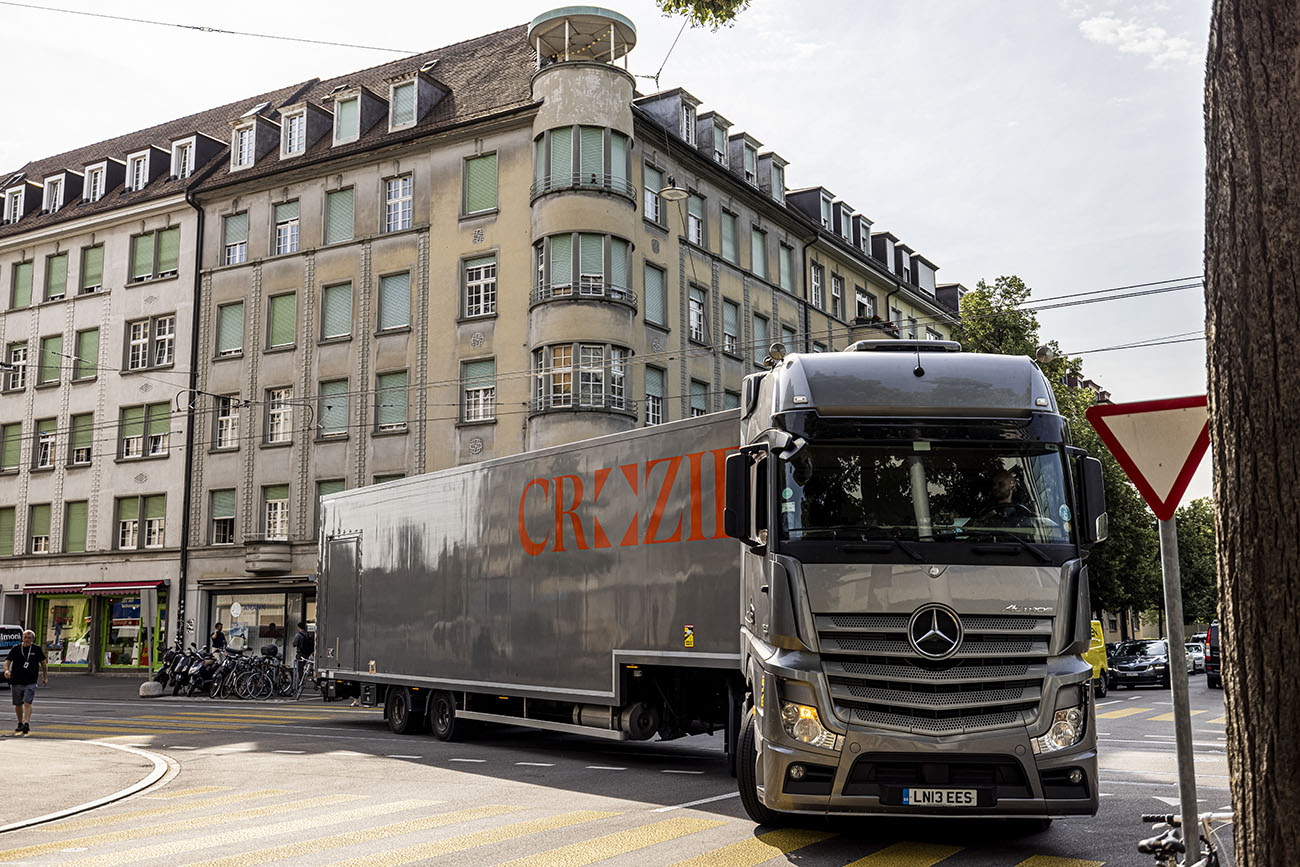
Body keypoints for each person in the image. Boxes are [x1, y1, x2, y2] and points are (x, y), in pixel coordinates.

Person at [5, 630, 48, 735]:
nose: (27, 640)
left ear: (33, 639)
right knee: (18, 703)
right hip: (16, 680)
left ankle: (26, 723)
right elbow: (7, 661)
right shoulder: (16, 648)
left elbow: (43, 663)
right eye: (25, 637)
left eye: (29, 638)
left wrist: (45, 677)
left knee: (27, 702)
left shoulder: (36, 649)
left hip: (30, 681)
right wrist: (6, 670)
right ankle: (20, 723)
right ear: (22, 638)